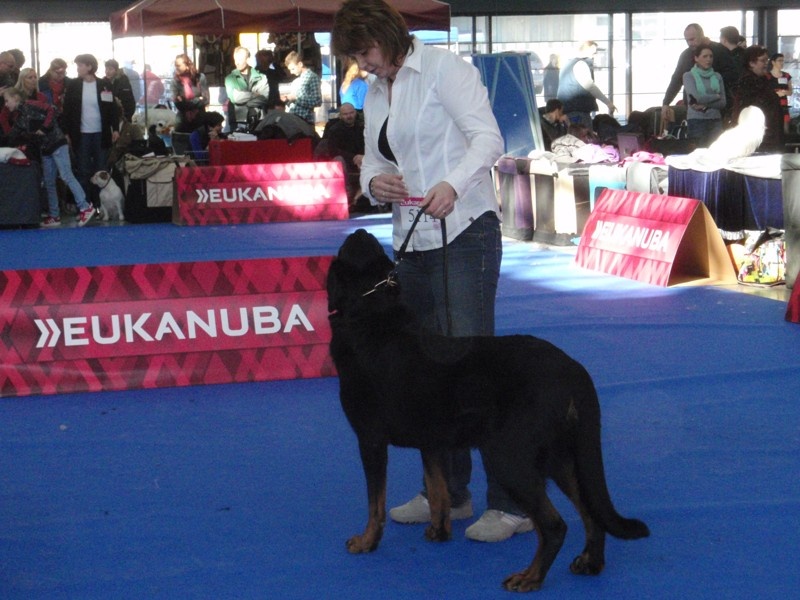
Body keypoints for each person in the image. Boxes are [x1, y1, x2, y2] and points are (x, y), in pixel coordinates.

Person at [331, 0, 533, 543]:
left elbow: (489, 140)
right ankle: (450, 493)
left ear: (388, 36)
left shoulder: (447, 70)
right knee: (423, 376)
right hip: (408, 240)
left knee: (474, 368)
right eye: (354, 57)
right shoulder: (376, 92)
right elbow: (374, 160)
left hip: (465, 231)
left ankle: (513, 502)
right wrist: (375, 183)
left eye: (364, 52)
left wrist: (453, 183)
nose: (362, 65)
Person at [1, 87, 96, 227]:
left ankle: (85, 207)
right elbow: (11, 137)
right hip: (45, 149)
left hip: (57, 143)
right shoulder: (20, 119)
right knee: (49, 181)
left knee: (66, 175)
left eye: (7, 100)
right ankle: (54, 215)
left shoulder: (31, 104)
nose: (6, 104)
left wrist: (44, 128)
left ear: (16, 98)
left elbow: (53, 109)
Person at [62, 53, 119, 213]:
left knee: (101, 170)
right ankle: (85, 206)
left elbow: (112, 109)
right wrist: (66, 132)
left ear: (89, 67)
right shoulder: (73, 85)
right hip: (81, 134)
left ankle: (102, 206)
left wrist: (115, 128)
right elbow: (66, 111)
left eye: (80, 65)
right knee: (83, 170)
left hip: (101, 133)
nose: (78, 68)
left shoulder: (104, 84)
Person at [661, 23, 738, 117]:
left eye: (692, 39)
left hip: (718, 109)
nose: (690, 43)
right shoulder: (686, 55)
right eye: (687, 40)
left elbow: (733, 75)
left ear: (701, 35)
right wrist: (666, 103)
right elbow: (676, 79)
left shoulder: (720, 51)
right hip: (694, 111)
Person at [732, 45, 785, 153]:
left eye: (767, 60)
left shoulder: (763, 80)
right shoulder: (748, 83)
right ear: (751, 63)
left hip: (767, 134)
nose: (766, 63)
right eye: (762, 60)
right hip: (760, 138)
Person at [556, 41, 616, 129]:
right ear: (589, 49)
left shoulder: (567, 64)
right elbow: (589, 86)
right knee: (585, 137)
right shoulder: (581, 64)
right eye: (594, 52)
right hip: (579, 110)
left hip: (568, 109)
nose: (595, 56)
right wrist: (608, 103)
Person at [682, 43, 726, 148]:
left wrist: (705, 105)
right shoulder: (688, 76)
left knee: (717, 152)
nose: (709, 59)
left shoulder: (717, 76)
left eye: (711, 56)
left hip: (715, 120)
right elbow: (696, 98)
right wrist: (716, 96)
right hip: (697, 120)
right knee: (698, 153)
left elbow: (723, 103)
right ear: (696, 58)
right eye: (705, 56)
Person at [323, 102, 364, 203]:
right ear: (340, 116)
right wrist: (354, 157)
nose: (349, 116)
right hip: (345, 160)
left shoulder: (362, 127)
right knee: (339, 160)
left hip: (362, 158)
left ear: (355, 113)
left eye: (351, 113)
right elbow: (333, 151)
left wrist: (363, 156)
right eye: (345, 114)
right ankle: (347, 194)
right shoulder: (334, 130)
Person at [224, 46, 270, 130]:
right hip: (237, 120)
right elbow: (235, 98)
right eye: (235, 59)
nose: (237, 62)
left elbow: (264, 98)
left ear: (248, 60)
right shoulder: (230, 78)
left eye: (240, 59)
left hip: (258, 119)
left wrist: (246, 104)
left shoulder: (261, 77)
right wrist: (254, 95)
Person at [170, 53, 209, 133]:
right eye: (176, 65)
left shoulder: (200, 78)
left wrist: (185, 101)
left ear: (187, 65)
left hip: (200, 119)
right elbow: (178, 104)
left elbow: (206, 100)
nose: (177, 68)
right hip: (182, 121)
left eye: (179, 65)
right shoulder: (175, 81)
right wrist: (198, 99)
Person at [282, 51, 322, 125]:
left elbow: (317, 101)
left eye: (293, 69)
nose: (291, 72)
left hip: (305, 121)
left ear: (300, 64)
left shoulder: (312, 77)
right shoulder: (297, 80)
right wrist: (287, 99)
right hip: (294, 119)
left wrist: (296, 98)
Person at [767, 53, 793, 134]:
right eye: (779, 61)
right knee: (772, 126)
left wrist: (785, 92)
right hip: (771, 104)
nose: (782, 63)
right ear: (773, 62)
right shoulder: (767, 76)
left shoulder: (786, 76)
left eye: (783, 61)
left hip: (783, 104)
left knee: (785, 128)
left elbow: (790, 92)